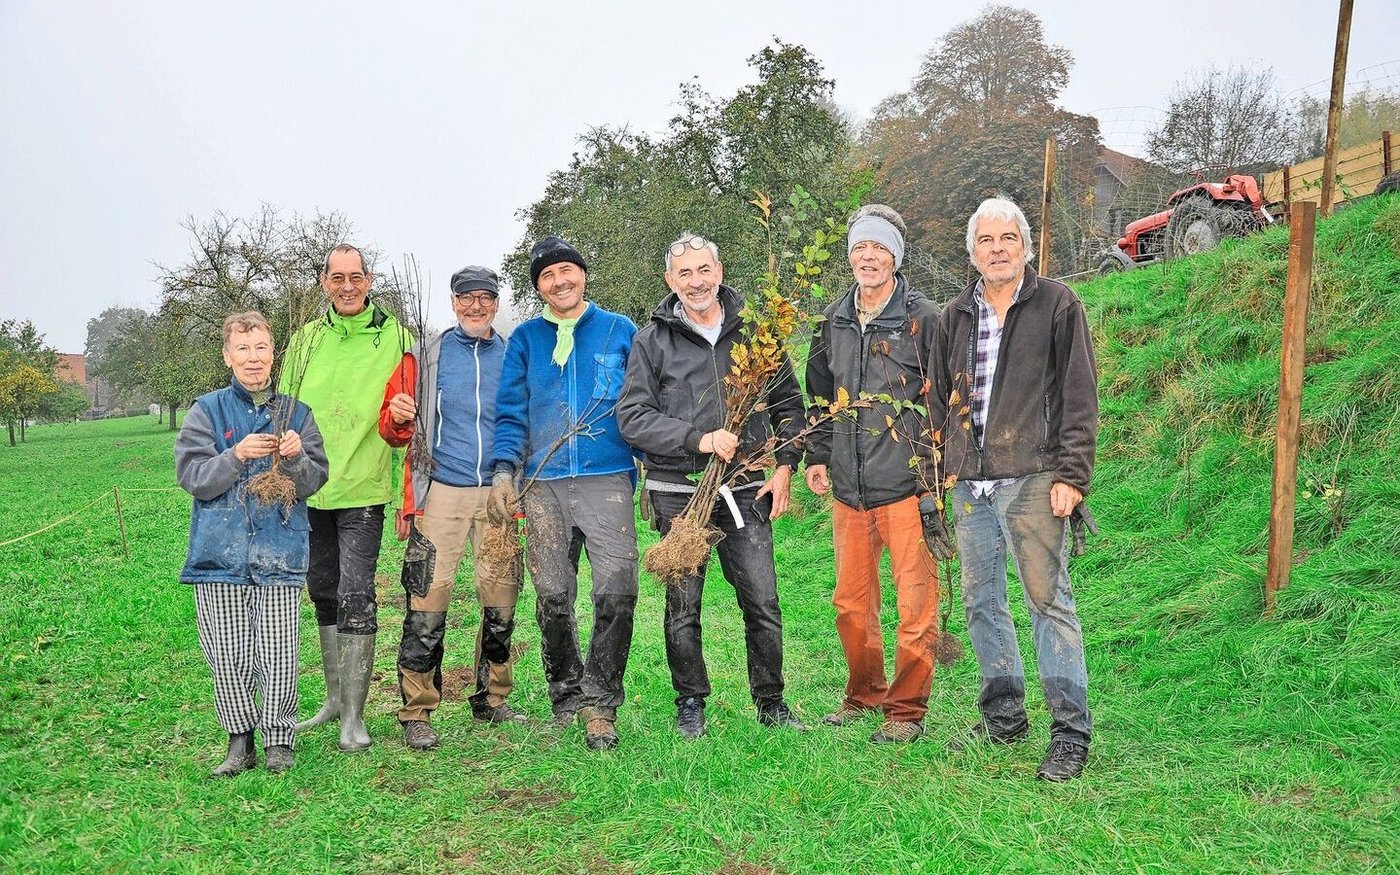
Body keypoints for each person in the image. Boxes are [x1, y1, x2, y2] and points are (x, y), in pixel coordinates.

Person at [616, 232, 806, 739]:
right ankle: (690, 702)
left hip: (745, 488)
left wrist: (785, 465)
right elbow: (632, 417)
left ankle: (771, 702)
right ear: (670, 280)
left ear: (719, 273)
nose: (696, 281)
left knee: (762, 601)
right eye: (685, 273)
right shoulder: (651, 341)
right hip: (679, 493)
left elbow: (789, 404)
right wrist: (698, 439)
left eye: (704, 270)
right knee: (683, 606)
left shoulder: (756, 335)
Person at [934, 196, 1097, 782]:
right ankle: (1003, 716)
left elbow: (1079, 395)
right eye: (986, 240)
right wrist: (941, 470)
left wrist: (1072, 474)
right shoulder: (954, 316)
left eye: (1008, 238)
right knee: (981, 601)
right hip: (969, 485)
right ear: (972, 252)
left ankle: (1070, 732)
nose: (997, 249)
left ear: (1026, 247)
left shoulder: (1056, 304)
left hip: (1033, 476)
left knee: (1047, 601)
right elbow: (939, 400)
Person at [804, 204, 948, 744]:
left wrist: (933, 471)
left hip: (907, 487)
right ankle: (864, 694)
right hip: (849, 488)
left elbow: (944, 396)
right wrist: (818, 456)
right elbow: (819, 395)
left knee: (916, 605)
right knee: (851, 602)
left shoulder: (923, 318)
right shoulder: (833, 320)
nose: (869, 257)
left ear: (896, 257)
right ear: (849, 255)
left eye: (880, 248)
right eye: (860, 247)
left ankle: (906, 710)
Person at [489, 235, 638, 751]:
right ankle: (567, 694)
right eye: (547, 276)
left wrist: (650, 465)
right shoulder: (525, 340)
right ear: (539, 287)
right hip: (542, 485)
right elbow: (510, 413)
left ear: (583, 274)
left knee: (617, 589)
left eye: (566, 271)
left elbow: (640, 405)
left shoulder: (620, 330)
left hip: (607, 478)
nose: (559, 282)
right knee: (553, 595)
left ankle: (602, 703)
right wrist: (504, 472)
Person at [378, 265, 526, 752]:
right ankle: (417, 709)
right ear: (453, 302)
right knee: (427, 599)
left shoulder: (514, 354)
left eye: (485, 298)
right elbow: (392, 428)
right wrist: (398, 416)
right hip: (441, 492)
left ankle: (492, 697)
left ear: (496, 303)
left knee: (501, 599)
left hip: (500, 494)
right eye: (467, 298)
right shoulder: (424, 355)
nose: (476, 306)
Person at [175, 311, 329, 776]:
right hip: (219, 555)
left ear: (273, 353)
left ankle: (279, 738)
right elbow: (193, 478)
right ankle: (239, 741)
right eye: (243, 349)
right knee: (228, 653)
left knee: (279, 652)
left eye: (261, 348)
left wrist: (296, 457)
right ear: (227, 356)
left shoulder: (297, 414)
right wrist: (236, 454)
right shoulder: (207, 411)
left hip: (280, 553)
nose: (253, 357)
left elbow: (314, 480)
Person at [286, 243, 413, 753]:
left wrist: (402, 418)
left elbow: (405, 416)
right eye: (337, 277)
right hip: (309, 488)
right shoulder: (305, 340)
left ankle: (355, 719)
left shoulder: (396, 337)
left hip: (363, 486)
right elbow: (286, 407)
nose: (347, 286)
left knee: (356, 592)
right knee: (322, 588)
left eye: (355, 276)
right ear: (324, 282)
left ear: (369, 280)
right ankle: (335, 700)